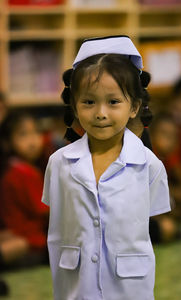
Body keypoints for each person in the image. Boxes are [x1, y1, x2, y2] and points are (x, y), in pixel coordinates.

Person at [42, 35, 171, 300]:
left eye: (113, 102)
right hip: (75, 285)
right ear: (75, 107)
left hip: (129, 288)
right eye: (89, 102)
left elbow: (150, 219)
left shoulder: (149, 166)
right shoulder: (58, 163)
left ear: (134, 107)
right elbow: (57, 228)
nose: (100, 113)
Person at [0, 111, 49, 269]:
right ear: (8, 142)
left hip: (14, 232)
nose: (32, 140)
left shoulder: (12, 168)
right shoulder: (25, 172)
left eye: (36, 132)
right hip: (30, 240)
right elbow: (44, 209)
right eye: (23, 134)